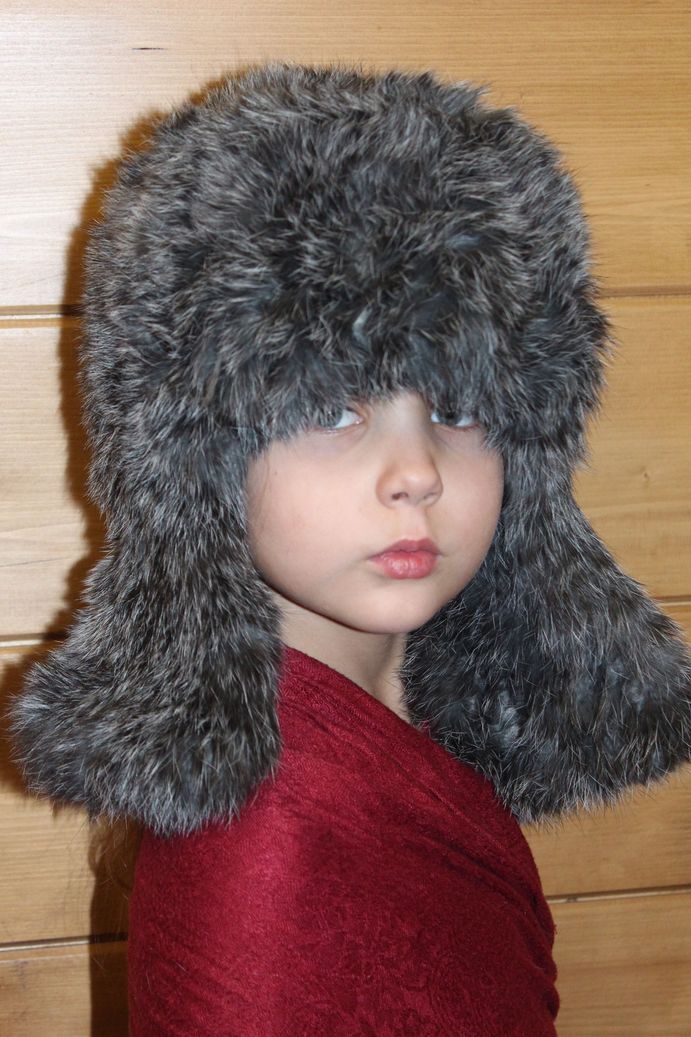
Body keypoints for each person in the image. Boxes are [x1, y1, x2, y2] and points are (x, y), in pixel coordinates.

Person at [7, 60, 691, 1036]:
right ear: (198, 459)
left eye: (457, 407)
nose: (415, 471)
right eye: (333, 410)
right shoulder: (270, 864)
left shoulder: (389, 732)